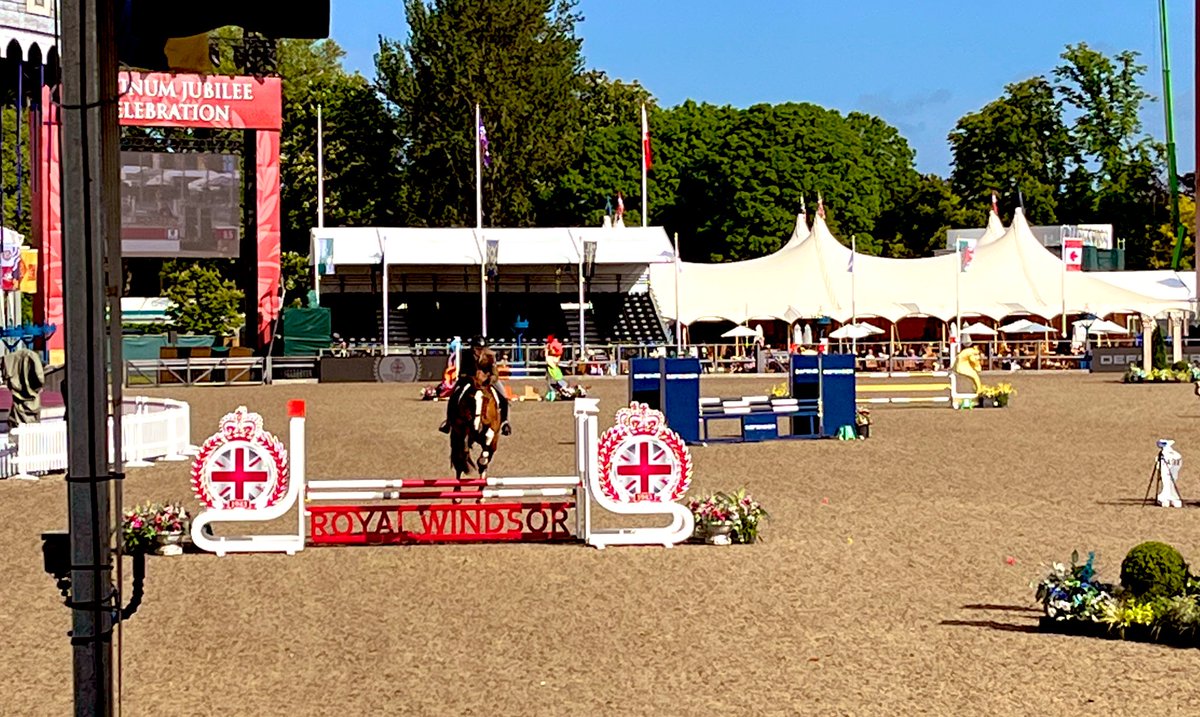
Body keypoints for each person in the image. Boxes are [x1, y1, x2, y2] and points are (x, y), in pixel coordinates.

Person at [439, 335, 511, 435]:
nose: (479, 351)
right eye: (477, 349)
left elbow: (495, 374)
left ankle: (505, 422)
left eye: (481, 349)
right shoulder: (466, 355)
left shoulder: (490, 356)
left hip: (487, 380)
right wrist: (472, 379)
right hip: (470, 380)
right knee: (455, 395)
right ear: (472, 348)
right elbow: (462, 373)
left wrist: (489, 379)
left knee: (503, 398)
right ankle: (448, 422)